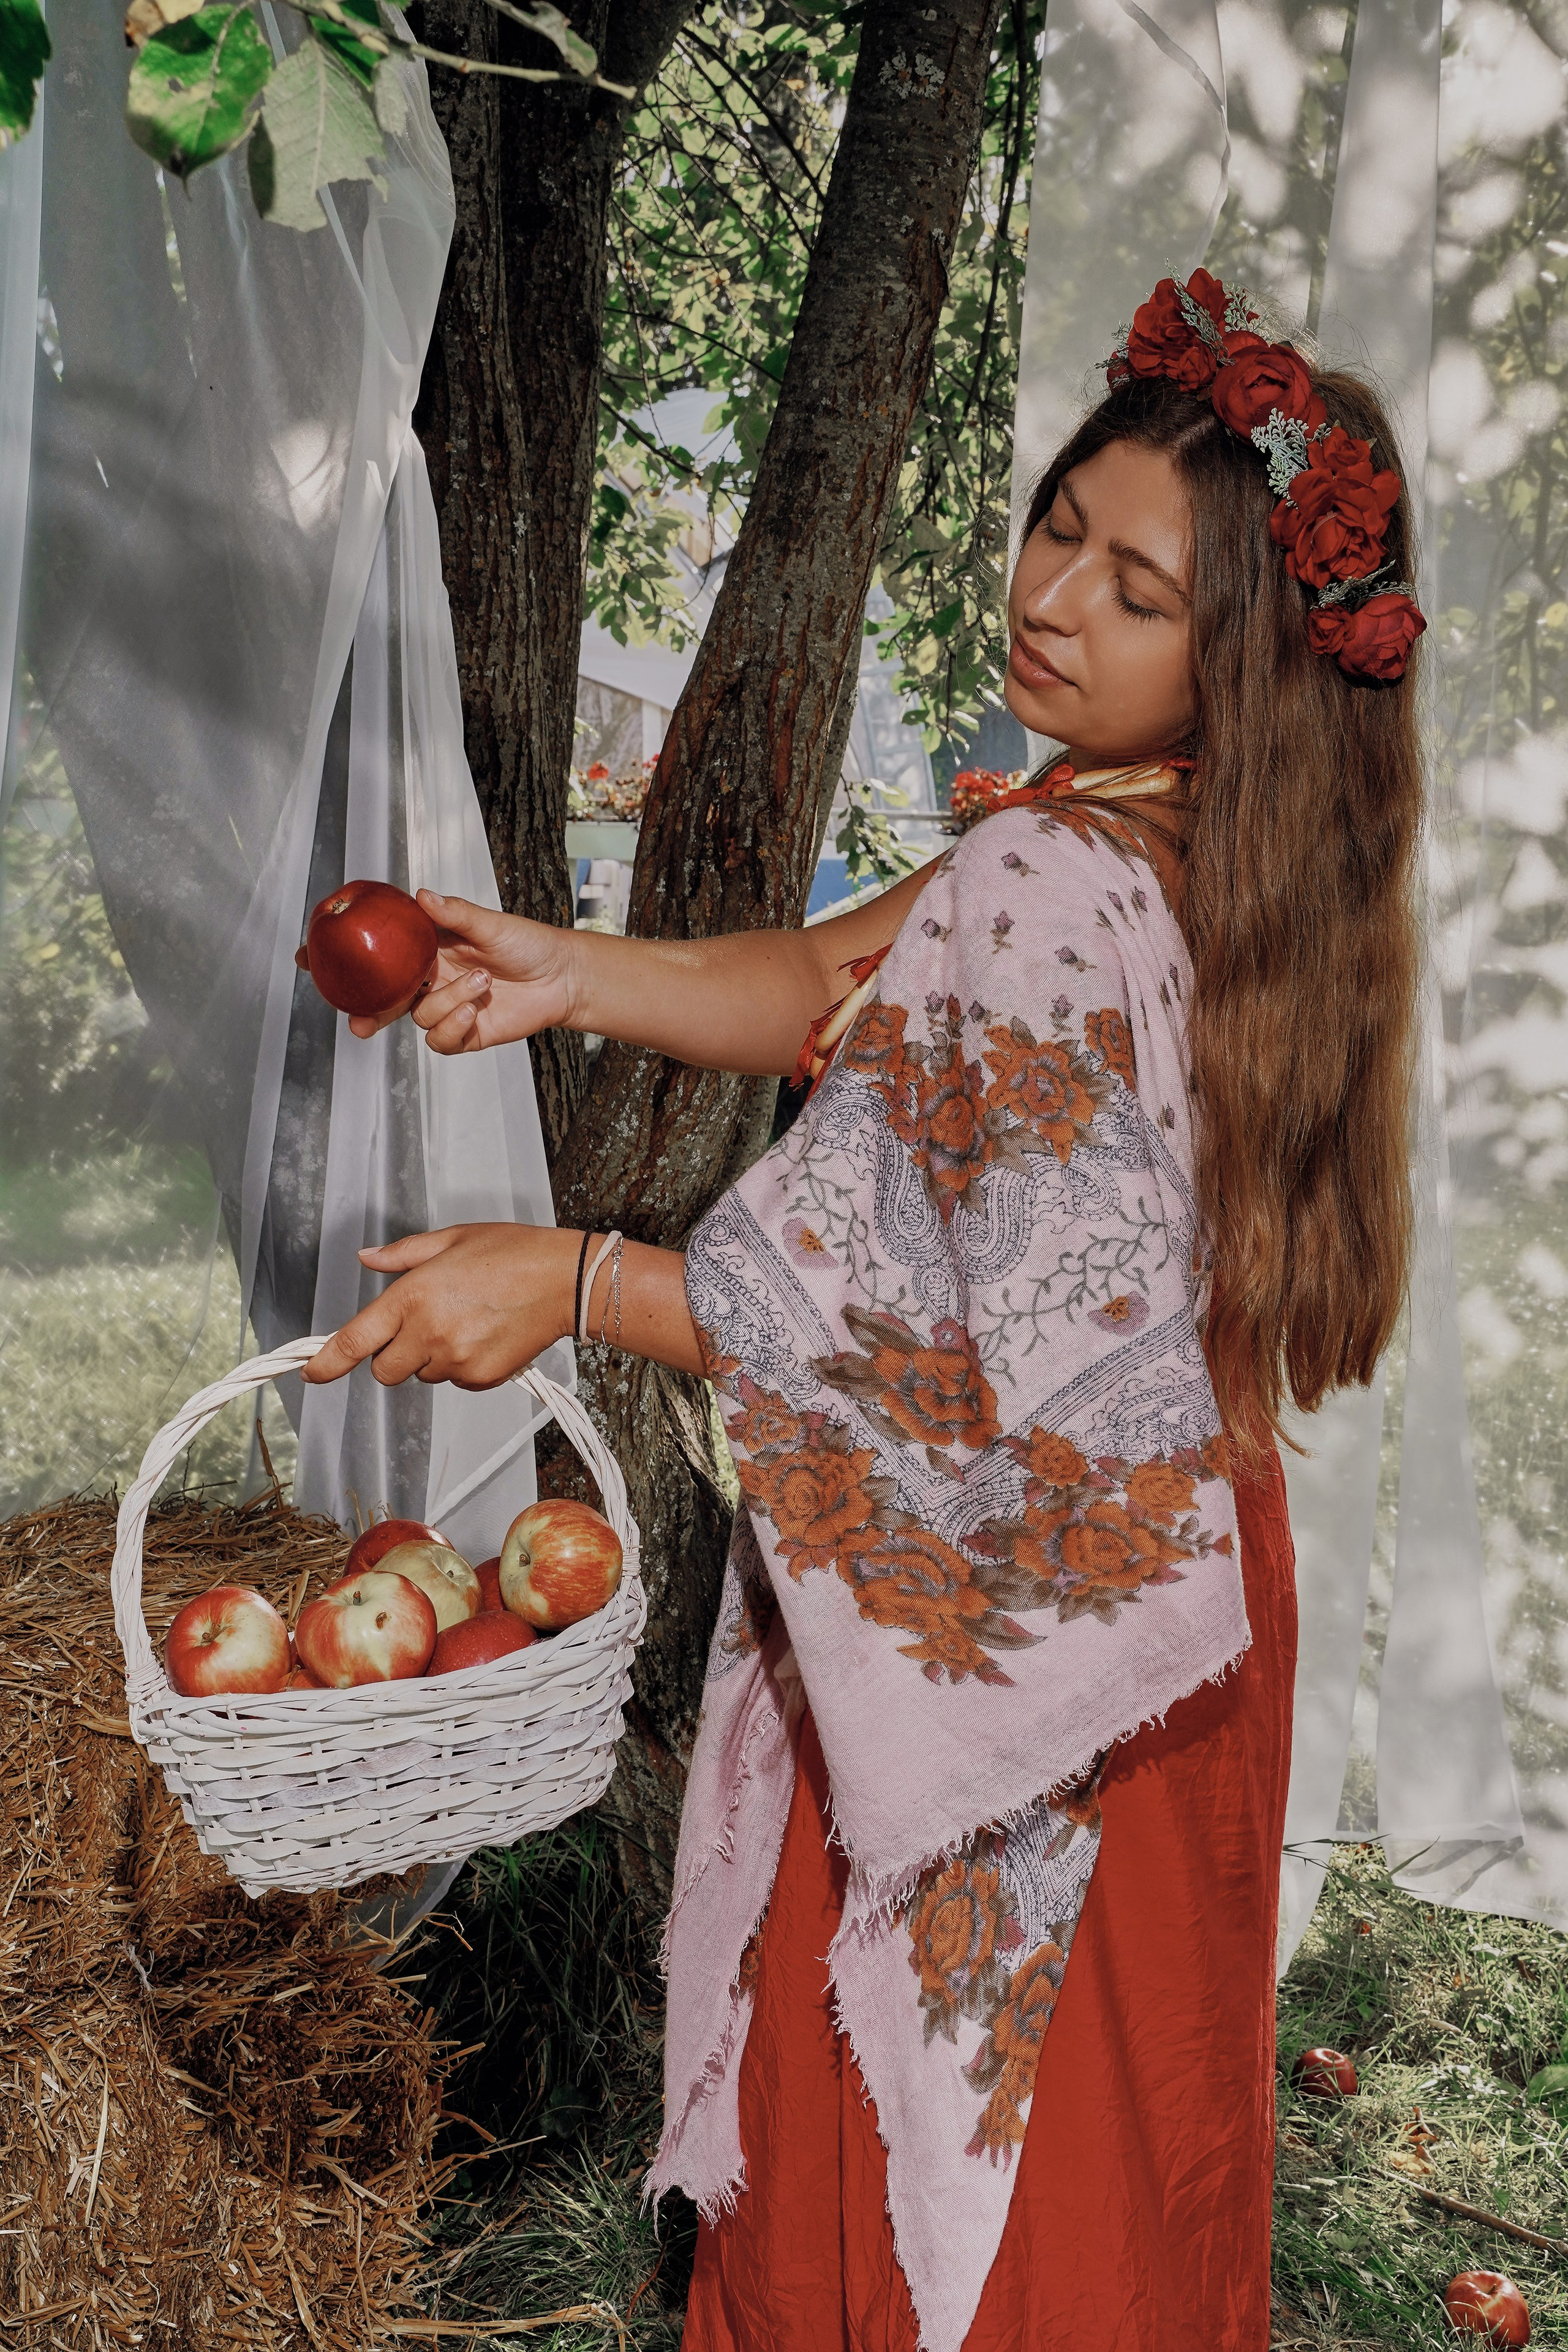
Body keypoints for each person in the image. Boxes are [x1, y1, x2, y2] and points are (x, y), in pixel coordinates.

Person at [303, 271, 1425, 2350]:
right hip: (1166, 1597)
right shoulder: (1192, 851)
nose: (1058, 597)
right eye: (1060, 525)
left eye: (1142, 587)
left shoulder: (1051, 886)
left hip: (1011, 1615)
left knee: (935, 2188)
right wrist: (561, 964)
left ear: (1243, 659)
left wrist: (565, 1281)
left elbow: (925, 1368)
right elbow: (826, 986)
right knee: (1116, 2171)